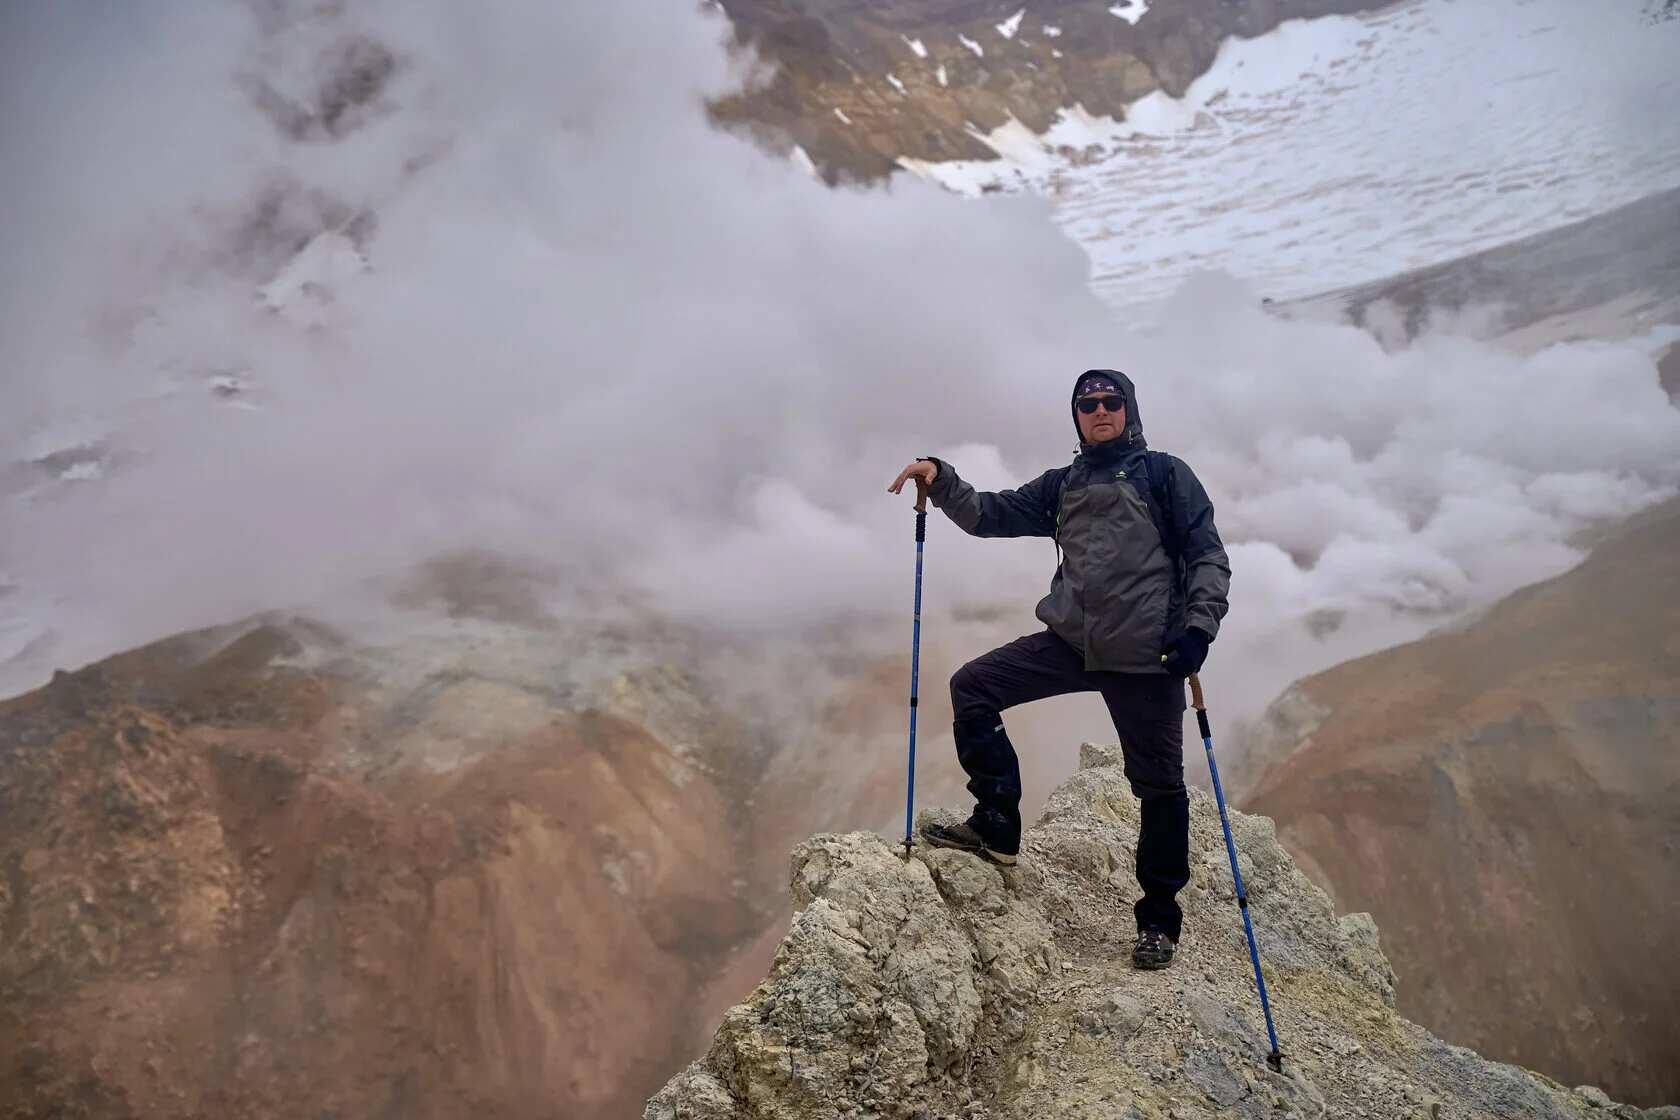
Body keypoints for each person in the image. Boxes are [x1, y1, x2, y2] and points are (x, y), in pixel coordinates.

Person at [887, 369, 1230, 970]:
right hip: (1072, 641)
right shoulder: (1065, 484)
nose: (1100, 411)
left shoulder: (1165, 476)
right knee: (974, 686)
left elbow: (1207, 556)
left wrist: (1198, 629)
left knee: (1159, 787)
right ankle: (997, 824)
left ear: (1129, 410)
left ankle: (1158, 918)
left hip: (1147, 660)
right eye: (1088, 404)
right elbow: (988, 515)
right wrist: (941, 480)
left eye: (1111, 402)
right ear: (1076, 417)